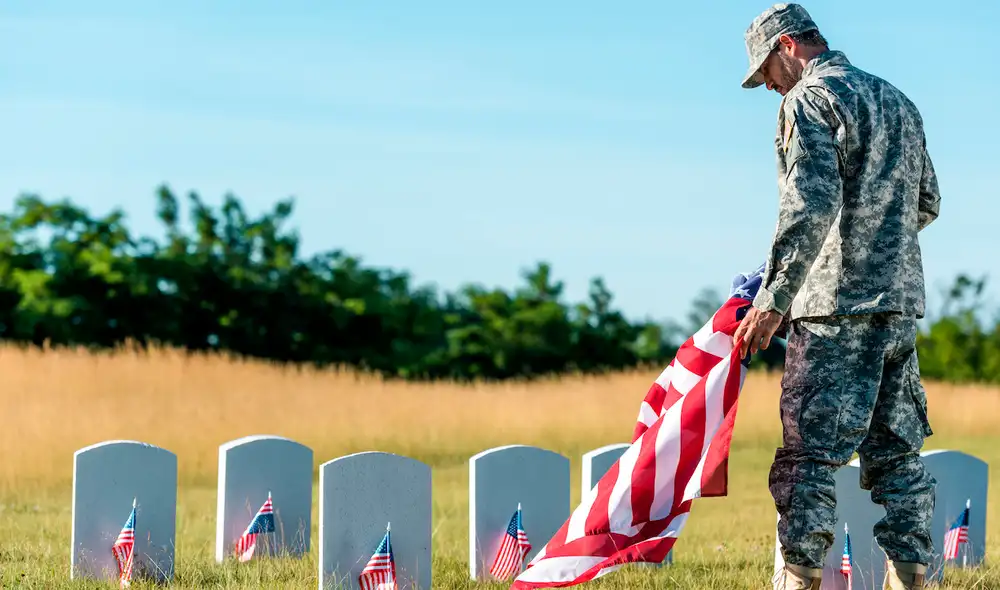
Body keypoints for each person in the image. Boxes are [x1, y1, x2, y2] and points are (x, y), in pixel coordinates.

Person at [732, 4, 942, 589]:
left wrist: (774, 298)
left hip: (831, 312)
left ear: (788, 46)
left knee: (809, 461)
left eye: (766, 72)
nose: (767, 86)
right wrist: (880, 241)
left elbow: (811, 202)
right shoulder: (898, 100)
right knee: (897, 457)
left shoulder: (808, 101)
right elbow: (927, 201)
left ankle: (799, 581)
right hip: (897, 307)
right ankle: (916, 579)